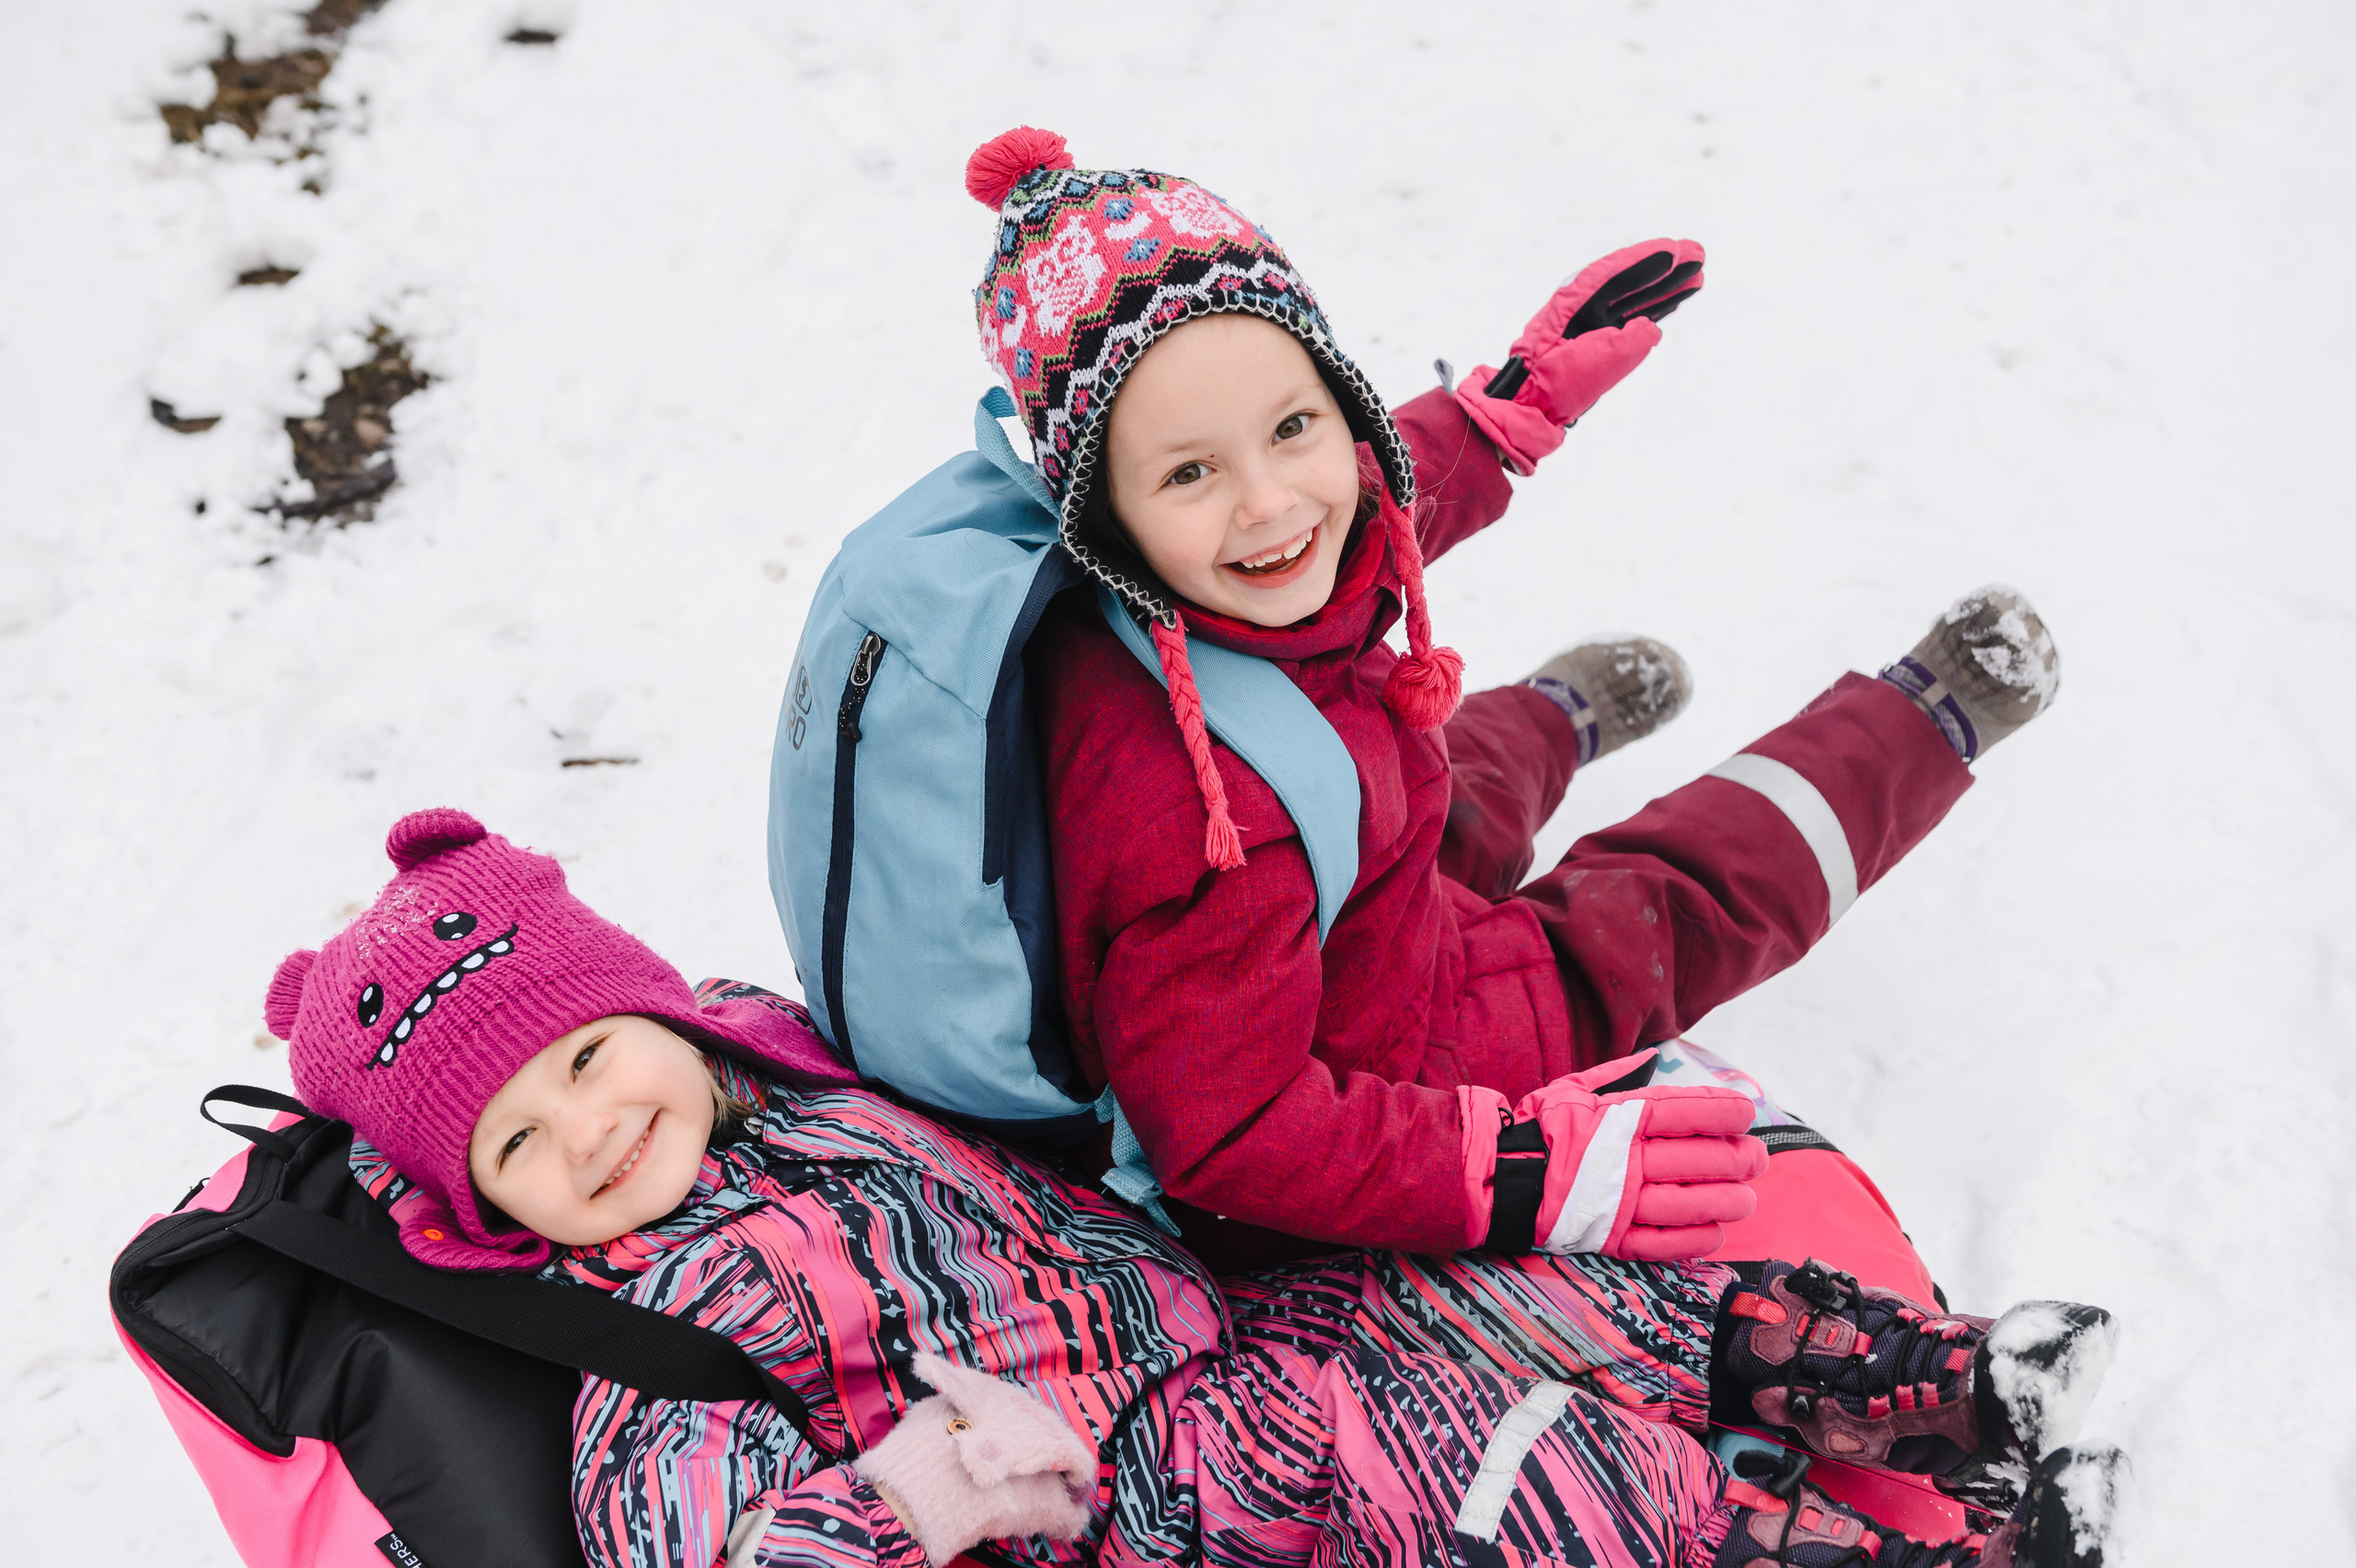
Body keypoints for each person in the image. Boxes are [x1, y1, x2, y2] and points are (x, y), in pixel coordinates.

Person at [268, 809, 2119, 1568]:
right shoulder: (638, 1346)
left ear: (655, 1010)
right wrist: (908, 1494)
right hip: (1111, 1506)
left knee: (1471, 1298)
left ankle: (1927, 1385)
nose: (588, 1131)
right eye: (520, 1140)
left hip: (1208, 1324)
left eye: (585, 1058)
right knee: (1432, 1437)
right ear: (490, 1212)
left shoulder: (796, 1065)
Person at [957, 127, 2062, 1274]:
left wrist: (1501, 416)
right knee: (1642, 917)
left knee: (1442, 772)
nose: (1269, 503)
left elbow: (1356, 517)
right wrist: (1520, 1170)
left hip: (1350, 881)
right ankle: (1922, 719)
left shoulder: (1158, 595)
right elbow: (1229, 1132)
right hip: (1393, 1059)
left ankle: (1554, 717)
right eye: (1190, 472)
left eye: (1293, 426)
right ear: (1100, 511)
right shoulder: (1196, 822)